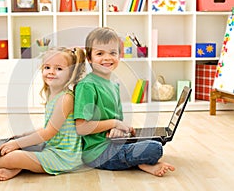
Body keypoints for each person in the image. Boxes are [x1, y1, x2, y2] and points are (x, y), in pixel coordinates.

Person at [0, 47, 86, 181]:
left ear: (71, 74)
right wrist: (25, 136)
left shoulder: (65, 98)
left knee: (15, 156)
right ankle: (16, 168)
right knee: (26, 147)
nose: (51, 72)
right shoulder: (52, 93)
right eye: (47, 67)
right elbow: (52, 127)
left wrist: (17, 143)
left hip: (64, 156)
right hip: (51, 147)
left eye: (58, 69)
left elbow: (49, 132)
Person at [74, 27, 175, 177]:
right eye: (100, 53)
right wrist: (114, 123)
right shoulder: (87, 86)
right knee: (155, 148)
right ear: (89, 58)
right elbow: (81, 128)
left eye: (113, 53)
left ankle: (139, 161)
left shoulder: (113, 85)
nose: (107, 58)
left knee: (153, 139)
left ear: (119, 56)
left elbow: (114, 120)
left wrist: (121, 129)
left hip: (114, 142)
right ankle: (140, 162)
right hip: (98, 152)